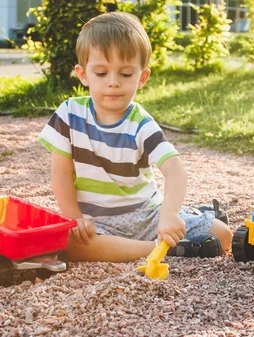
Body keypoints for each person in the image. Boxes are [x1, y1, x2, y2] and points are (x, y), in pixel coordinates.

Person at [38, 12, 233, 263]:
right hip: (98, 223)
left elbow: (175, 169)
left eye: (125, 74)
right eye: (101, 73)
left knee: (224, 235)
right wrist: (74, 217)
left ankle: (170, 234)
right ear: (83, 74)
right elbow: (61, 173)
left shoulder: (141, 123)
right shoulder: (69, 115)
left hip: (148, 215)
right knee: (67, 243)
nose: (113, 83)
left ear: (142, 77)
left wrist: (170, 214)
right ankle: (160, 250)